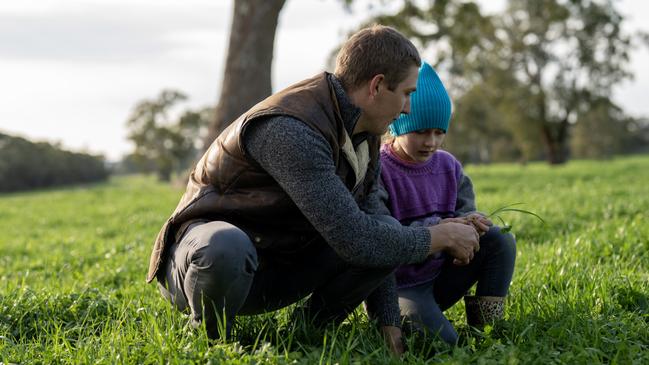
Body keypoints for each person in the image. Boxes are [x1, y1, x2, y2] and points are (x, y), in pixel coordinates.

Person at [145, 25, 480, 354]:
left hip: (275, 261)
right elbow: (356, 238)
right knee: (225, 245)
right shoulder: (291, 129)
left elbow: (378, 230)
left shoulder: (364, 132)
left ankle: (306, 334)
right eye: (407, 93)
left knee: (387, 232)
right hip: (205, 267)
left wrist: (389, 329)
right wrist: (441, 236)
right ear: (377, 86)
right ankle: (209, 342)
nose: (408, 107)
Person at [379, 62, 517, 345]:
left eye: (439, 132)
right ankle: (422, 323)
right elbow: (383, 236)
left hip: (443, 274)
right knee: (445, 345)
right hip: (401, 288)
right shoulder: (381, 169)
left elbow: (464, 210)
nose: (431, 142)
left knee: (500, 239)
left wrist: (471, 223)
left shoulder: (448, 166)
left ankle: (486, 330)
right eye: (421, 132)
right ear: (398, 124)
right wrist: (440, 229)